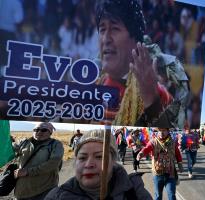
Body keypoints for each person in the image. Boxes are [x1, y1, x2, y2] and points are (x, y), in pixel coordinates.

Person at [95, 0, 190, 128]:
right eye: (102, 29)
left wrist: (151, 101)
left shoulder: (158, 94)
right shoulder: (88, 90)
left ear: (136, 41)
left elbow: (171, 141)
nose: (106, 39)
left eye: (115, 29)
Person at [45, 129, 152, 200]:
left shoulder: (134, 192)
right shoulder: (55, 197)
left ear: (113, 162)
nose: (89, 164)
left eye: (99, 157)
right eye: (82, 157)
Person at [11, 122, 64, 200]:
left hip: (44, 190)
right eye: (36, 130)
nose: (39, 132)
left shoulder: (56, 145)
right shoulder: (24, 142)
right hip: (22, 190)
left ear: (50, 132)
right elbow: (7, 149)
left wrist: (27, 172)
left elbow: (53, 164)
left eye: (43, 130)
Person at [137, 128, 183, 200]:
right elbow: (147, 148)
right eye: (160, 131)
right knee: (158, 195)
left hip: (170, 174)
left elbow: (177, 153)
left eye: (164, 130)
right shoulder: (153, 141)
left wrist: (180, 163)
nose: (161, 132)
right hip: (158, 174)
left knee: (171, 195)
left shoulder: (173, 142)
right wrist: (141, 153)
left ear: (168, 131)